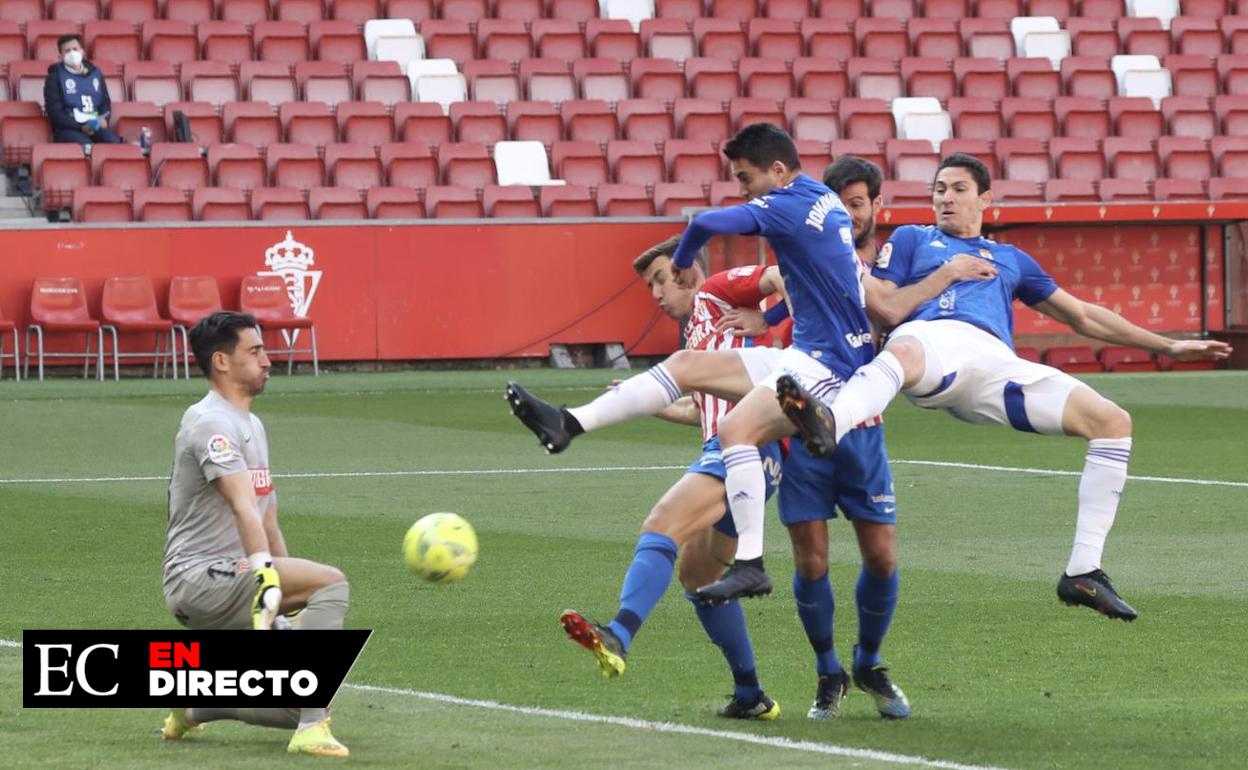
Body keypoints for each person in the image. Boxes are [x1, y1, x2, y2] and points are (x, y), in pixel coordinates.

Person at [776, 153, 1233, 622]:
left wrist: (1168, 347)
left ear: (985, 198)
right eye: (939, 189)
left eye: (957, 189)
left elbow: (1082, 315)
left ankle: (1083, 570)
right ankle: (829, 422)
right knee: (906, 348)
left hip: (995, 364)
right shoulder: (913, 239)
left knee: (1112, 422)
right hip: (932, 343)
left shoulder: (1012, 259)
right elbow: (884, 306)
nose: (946, 198)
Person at [556, 235, 788, 720]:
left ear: (687, 271)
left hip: (743, 444)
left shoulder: (719, 293)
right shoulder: (696, 337)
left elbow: (782, 277)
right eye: (650, 287)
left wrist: (766, 318)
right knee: (700, 576)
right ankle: (751, 695)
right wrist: (647, 400)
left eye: (661, 280)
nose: (658, 294)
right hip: (746, 451)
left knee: (662, 523)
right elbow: (697, 408)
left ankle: (619, 633)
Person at [159, 311, 351, 757]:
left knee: (298, 695)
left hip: (237, 575)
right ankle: (311, 730)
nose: (267, 359)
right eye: (255, 350)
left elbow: (267, 520)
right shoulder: (209, 423)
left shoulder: (252, 424)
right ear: (222, 362)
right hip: (199, 577)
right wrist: (270, 580)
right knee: (332, 582)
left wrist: (285, 602)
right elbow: (242, 504)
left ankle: (193, 710)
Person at [44, 34, 122, 146]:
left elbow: (105, 102)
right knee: (87, 147)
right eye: (67, 51)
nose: (72, 53)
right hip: (68, 129)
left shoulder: (95, 73)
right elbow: (55, 114)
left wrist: (104, 119)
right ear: (60, 56)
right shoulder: (54, 78)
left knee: (113, 142)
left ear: (82, 51)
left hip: (95, 125)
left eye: (75, 49)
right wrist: (81, 126)